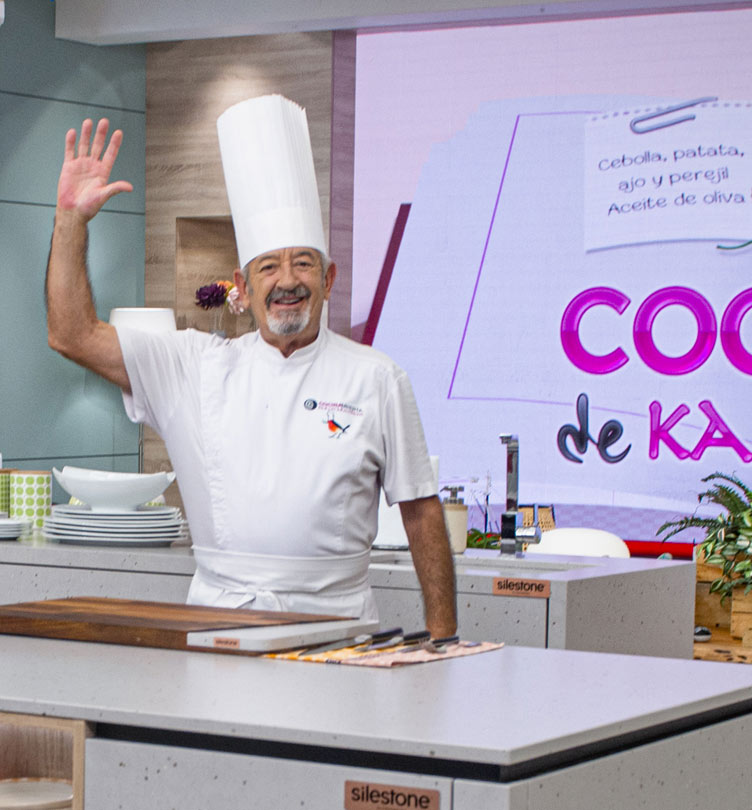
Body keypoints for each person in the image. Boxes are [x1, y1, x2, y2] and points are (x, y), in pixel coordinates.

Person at [45, 102, 457, 637]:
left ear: (329, 278)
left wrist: (444, 638)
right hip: (220, 626)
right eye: (268, 266)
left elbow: (421, 510)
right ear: (243, 285)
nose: (288, 281)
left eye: (303, 262)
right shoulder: (192, 365)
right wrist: (70, 220)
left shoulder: (378, 378)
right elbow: (71, 333)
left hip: (338, 632)